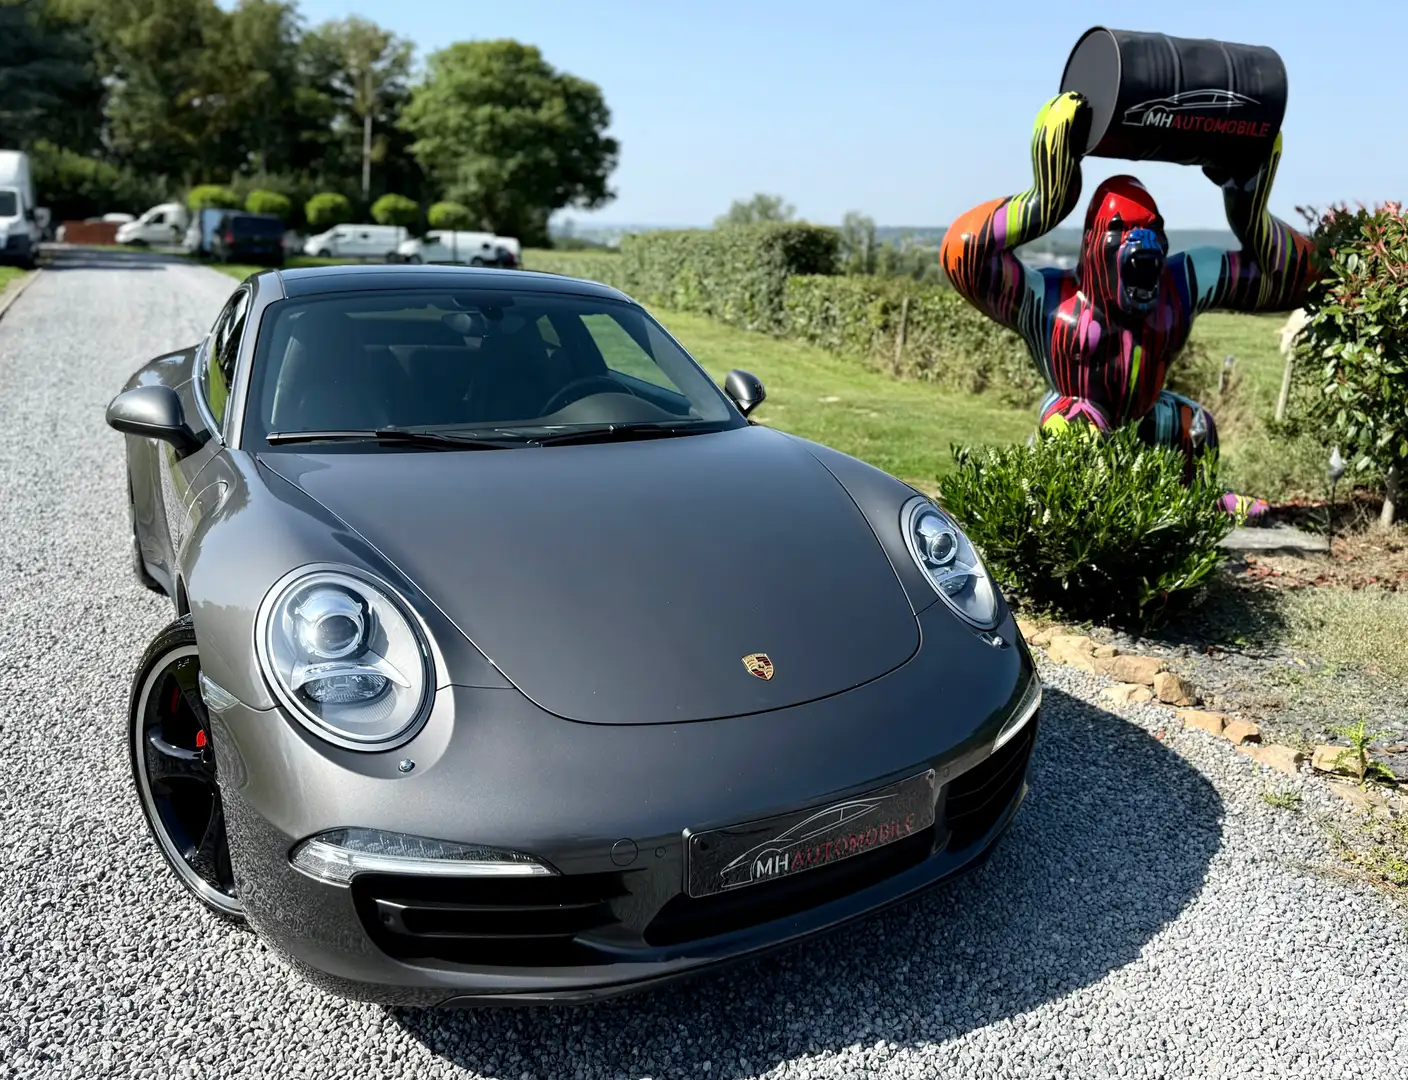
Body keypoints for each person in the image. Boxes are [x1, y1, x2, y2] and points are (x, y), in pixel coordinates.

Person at [939, 90, 1319, 515]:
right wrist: (1048, 196)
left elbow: (1296, 280)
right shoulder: (1052, 300)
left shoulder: (1181, 285)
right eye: (1120, 230)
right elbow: (964, 253)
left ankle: (1199, 505)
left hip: (1143, 417)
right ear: (1091, 245)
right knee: (1074, 424)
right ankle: (1073, 521)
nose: (1141, 244)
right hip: (1073, 411)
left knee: (1193, 425)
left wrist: (1248, 203)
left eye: (1152, 228)